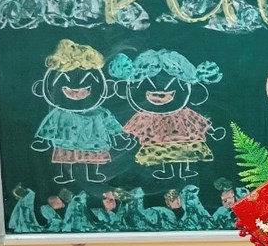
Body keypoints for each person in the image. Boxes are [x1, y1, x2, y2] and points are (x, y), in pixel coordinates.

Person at [110, 49, 226, 179]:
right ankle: (168, 172)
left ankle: (184, 171)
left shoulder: (183, 113)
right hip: (158, 142)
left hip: (181, 140)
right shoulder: (146, 115)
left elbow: (196, 120)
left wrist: (211, 131)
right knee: (163, 155)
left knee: (183, 153)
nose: (160, 94)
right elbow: (135, 125)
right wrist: (126, 136)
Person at [30, 40, 128, 184]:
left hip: (92, 141)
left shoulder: (98, 113)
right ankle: (67, 175)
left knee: (92, 156)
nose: (76, 94)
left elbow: (110, 123)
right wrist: (43, 140)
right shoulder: (60, 113)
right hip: (68, 141)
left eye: (84, 90)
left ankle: (92, 174)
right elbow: (50, 125)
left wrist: (120, 137)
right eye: (69, 90)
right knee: (66, 155)